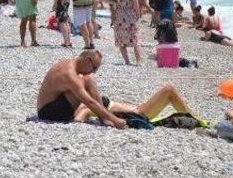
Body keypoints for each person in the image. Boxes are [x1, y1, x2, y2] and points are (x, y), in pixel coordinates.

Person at [37, 51, 195, 126]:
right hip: (52, 112)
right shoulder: (71, 75)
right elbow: (90, 103)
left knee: (87, 82)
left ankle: (105, 117)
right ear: (87, 59)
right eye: (94, 67)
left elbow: (88, 107)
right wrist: (115, 120)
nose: (93, 72)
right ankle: (195, 119)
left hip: (50, 107)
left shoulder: (68, 63)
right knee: (168, 90)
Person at [103, 0, 142, 65]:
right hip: (130, 14)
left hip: (120, 15)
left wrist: (115, 3)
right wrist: (138, 14)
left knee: (121, 40)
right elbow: (136, 3)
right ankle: (138, 62)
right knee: (135, 39)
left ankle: (127, 61)